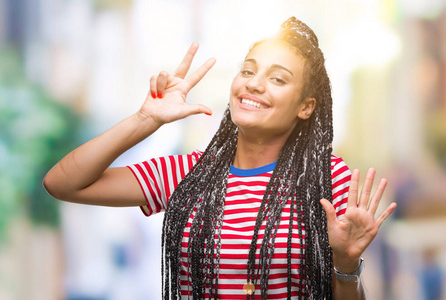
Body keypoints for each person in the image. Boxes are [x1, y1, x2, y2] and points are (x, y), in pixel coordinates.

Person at [43, 17, 397, 300]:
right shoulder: (189, 172)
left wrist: (347, 264)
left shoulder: (327, 181)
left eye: (277, 78)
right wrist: (146, 119)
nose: (255, 84)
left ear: (306, 107)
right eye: (248, 71)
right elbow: (61, 183)